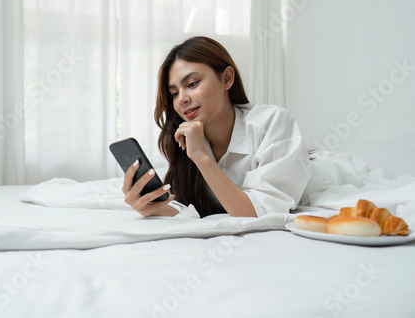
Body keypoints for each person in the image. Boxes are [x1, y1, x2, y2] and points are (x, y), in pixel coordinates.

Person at [122, 36, 312, 218]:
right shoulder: (185, 139)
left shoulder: (272, 122)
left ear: (227, 78)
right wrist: (152, 207)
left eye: (192, 83)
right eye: (174, 93)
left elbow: (260, 214)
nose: (182, 99)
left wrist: (201, 157)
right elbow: (194, 209)